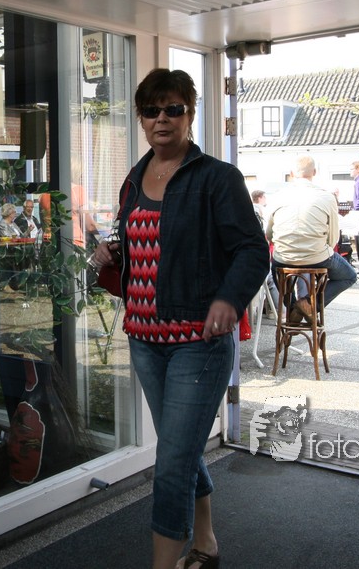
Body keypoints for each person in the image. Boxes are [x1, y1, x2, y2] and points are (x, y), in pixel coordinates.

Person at [88, 68, 269, 569]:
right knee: (179, 447)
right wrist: (110, 253)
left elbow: (253, 250)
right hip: (145, 338)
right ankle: (206, 543)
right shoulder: (134, 179)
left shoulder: (217, 178)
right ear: (141, 119)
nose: (162, 119)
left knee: (170, 462)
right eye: (152, 110)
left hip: (198, 341)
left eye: (173, 109)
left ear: (190, 115)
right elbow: (142, 244)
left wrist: (229, 299)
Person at [266, 156, 357, 323]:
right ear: (314, 172)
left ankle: (292, 309)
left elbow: (269, 234)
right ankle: (308, 304)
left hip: (283, 258)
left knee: (276, 270)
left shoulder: (277, 196)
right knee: (349, 276)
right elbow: (333, 238)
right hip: (317, 257)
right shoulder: (327, 197)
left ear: (291, 173)